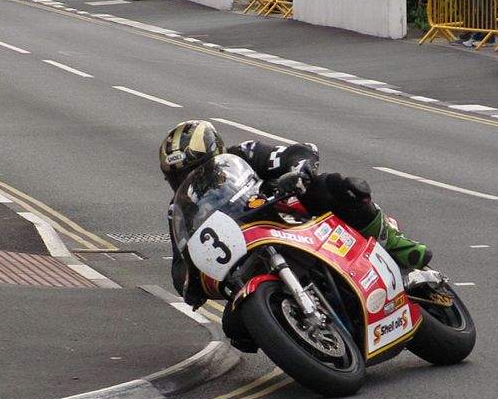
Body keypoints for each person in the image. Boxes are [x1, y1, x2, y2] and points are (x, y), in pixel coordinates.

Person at [160, 120, 432, 351]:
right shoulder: (180, 210)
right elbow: (180, 263)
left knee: (337, 186)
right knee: (235, 328)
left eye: (194, 169)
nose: (189, 178)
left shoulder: (245, 154)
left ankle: (393, 243)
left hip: (288, 218)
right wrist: (191, 283)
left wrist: (298, 170)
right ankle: (299, 337)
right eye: (179, 176)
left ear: (216, 154)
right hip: (250, 253)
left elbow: (297, 152)